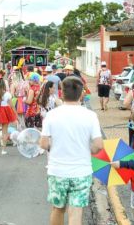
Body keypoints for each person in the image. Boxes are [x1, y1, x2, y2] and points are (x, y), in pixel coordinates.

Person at [40, 76, 103, 225]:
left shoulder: (51, 115)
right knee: (76, 212)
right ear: (81, 93)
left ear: (61, 93)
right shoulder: (90, 116)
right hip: (81, 172)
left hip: (57, 171)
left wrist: (54, 147)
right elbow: (99, 145)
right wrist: (88, 149)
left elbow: (43, 143)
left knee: (57, 209)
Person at [0, 74, 17, 156]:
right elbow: (11, 106)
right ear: (4, 85)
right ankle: (3, 150)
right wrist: (15, 115)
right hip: (5, 113)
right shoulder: (7, 94)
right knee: (5, 131)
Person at [10, 66, 28, 131]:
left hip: (17, 101)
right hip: (25, 101)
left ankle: (20, 132)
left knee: (19, 118)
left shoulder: (14, 84)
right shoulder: (25, 82)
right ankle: (25, 130)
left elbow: (11, 95)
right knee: (25, 117)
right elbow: (27, 92)